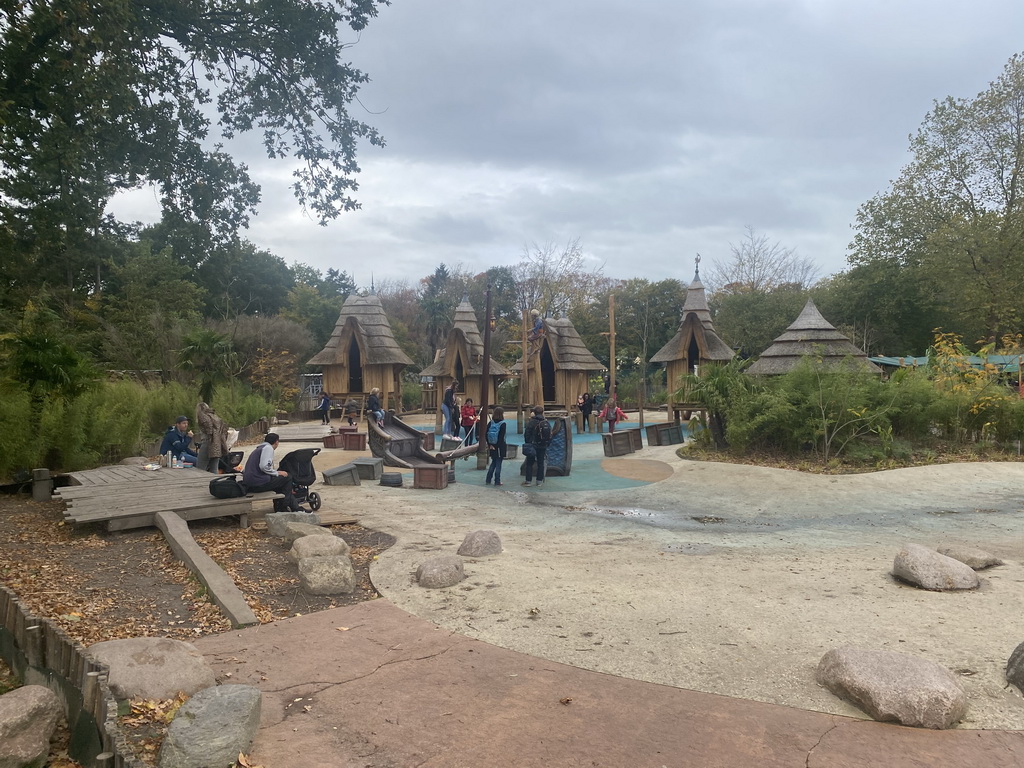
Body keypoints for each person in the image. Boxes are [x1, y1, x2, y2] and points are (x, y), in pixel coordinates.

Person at [241, 433, 306, 512]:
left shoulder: (258, 449)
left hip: (250, 483)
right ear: (276, 442)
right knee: (287, 477)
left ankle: (292, 507)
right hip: (258, 484)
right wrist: (277, 473)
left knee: (280, 483)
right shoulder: (268, 448)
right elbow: (264, 466)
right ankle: (285, 506)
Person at [522, 405, 551, 487]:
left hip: (533, 444)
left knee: (529, 463)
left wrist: (528, 442)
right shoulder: (545, 422)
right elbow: (549, 434)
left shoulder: (531, 422)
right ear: (542, 412)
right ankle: (539, 481)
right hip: (542, 445)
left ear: (534, 413)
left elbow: (527, 433)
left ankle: (528, 481)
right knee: (540, 463)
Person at [195, 402, 228, 473]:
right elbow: (224, 429)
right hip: (217, 444)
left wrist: (209, 432)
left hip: (208, 442)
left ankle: (200, 483)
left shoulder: (202, 415)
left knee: (200, 467)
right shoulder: (215, 416)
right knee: (214, 467)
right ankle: (214, 482)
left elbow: (209, 427)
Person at [485, 406, 507, 486]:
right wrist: (497, 446)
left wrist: (490, 444)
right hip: (500, 447)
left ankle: (488, 479)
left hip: (492, 446)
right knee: (498, 464)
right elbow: (501, 437)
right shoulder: (503, 424)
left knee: (493, 462)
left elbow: (486, 434)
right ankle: (497, 480)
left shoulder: (491, 422)